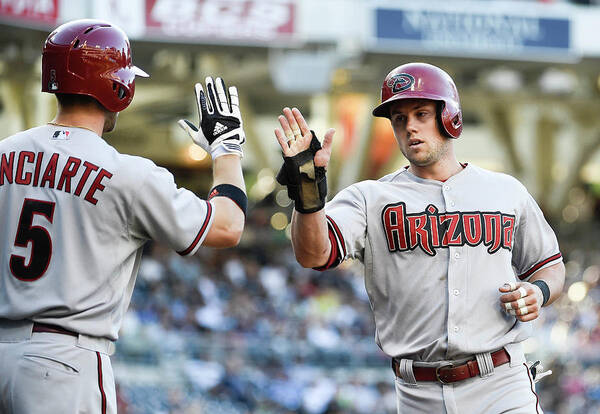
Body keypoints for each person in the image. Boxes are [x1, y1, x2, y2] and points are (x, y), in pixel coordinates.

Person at [274, 62, 565, 413]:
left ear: (450, 116)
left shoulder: (505, 191)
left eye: (421, 113)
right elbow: (313, 254)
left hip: (501, 383)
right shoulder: (370, 197)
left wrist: (539, 291)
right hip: (418, 394)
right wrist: (307, 192)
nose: (409, 126)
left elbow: (549, 267)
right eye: (399, 118)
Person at [0, 19, 247, 413]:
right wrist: (226, 150)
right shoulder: (127, 173)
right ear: (118, 88)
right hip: (65, 363)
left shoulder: (4, 152)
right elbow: (227, 226)